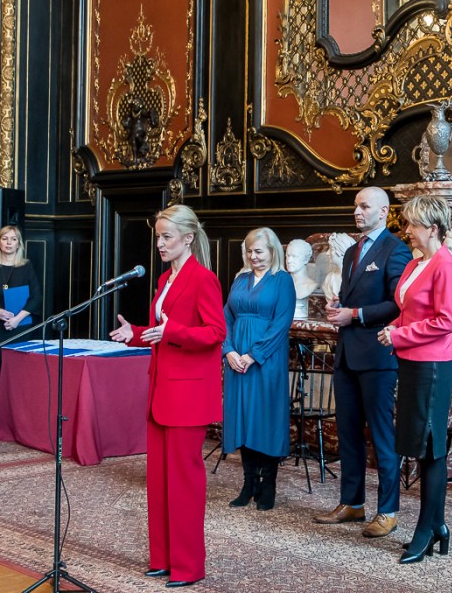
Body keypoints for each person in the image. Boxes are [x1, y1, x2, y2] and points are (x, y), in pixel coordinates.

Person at [110, 204, 225, 588]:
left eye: (166, 237)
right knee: (159, 482)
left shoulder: (203, 279)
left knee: (184, 483)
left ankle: (189, 567)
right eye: (158, 237)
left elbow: (215, 333)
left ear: (188, 238)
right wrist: (134, 334)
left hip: (187, 397)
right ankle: (163, 559)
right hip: (161, 391)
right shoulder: (164, 279)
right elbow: (160, 332)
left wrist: (171, 331)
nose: (160, 243)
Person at [316, 186, 412, 539]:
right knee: (348, 433)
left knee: (382, 436)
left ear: (384, 211)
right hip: (346, 355)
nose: (357, 212)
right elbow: (351, 297)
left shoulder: (396, 250)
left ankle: (388, 511)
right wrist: (337, 308)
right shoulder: (352, 252)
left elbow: (398, 303)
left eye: (365, 206)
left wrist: (354, 314)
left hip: (377, 356)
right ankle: (352, 502)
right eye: (356, 206)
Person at [377, 195, 452, 564]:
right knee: (419, 444)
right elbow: (409, 310)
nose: (407, 230)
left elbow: (446, 321)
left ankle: (426, 530)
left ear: (433, 228)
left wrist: (400, 335)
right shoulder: (415, 263)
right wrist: (394, 327)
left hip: (433, 366)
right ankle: (437, 525)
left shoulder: (446, 265)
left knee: (430, 447)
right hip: (411, 362)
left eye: (412, 224)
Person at [223, 227, 296, 511]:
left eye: (259, 251)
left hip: (266, 361)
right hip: (236, 360)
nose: (254, 256)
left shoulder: (282, 280)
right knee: (242, 418)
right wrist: (229, 350)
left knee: (265, 419)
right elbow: (226, 317)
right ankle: (249, 483)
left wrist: (254, 355)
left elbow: (281, 324)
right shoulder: (240, 279)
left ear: (273, 251)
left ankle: (269, 484)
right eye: (250, 251)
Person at [0, 225, 42, 404]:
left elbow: (36, 297)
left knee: (19, 374)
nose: (9, 243)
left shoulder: (26, 266)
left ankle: (17, 414)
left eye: (13, 239)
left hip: (19, 327)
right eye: (5, 239)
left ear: (19, 243)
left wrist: (17, 319)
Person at [285, 238, 318, 320]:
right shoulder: (282, 284)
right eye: (287, 256)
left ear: (306, 259)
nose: (289, 260)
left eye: (294, 256)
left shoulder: (311, 286)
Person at [320, 231, 356, 303]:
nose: (327, 253)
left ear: (341, 251)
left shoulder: (357, 278)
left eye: (331, 249)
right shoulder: (329, 278)